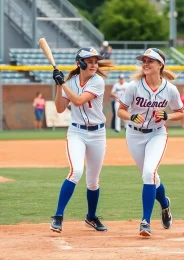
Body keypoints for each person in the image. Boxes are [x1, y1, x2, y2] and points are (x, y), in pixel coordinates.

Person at [117, 48, 184, 237]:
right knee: (152, 177)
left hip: (157, 134)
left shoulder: (170, 89)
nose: (145, 63)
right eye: (144, 60)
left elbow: (181, 114)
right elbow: (120, 111)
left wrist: (167, 116)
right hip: (134, 135)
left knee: (148, 173)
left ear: (160, 65)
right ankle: (165, 204)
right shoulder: (134, 86)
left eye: (150, 60)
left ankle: (145, 221)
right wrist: (131, 116)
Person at [50, 47, 113, 233]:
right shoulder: (70, 82)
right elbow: (61, 109)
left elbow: (78, 101)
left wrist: (64, 84)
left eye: (96, 61)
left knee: (93, 181)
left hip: (98, 134)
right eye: (90, 61)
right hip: (76, 133)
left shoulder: (98, 81)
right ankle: (58, 216)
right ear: (80, 63)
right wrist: (59, 85)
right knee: (76, 171)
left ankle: (91, 217)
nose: (94, 64)